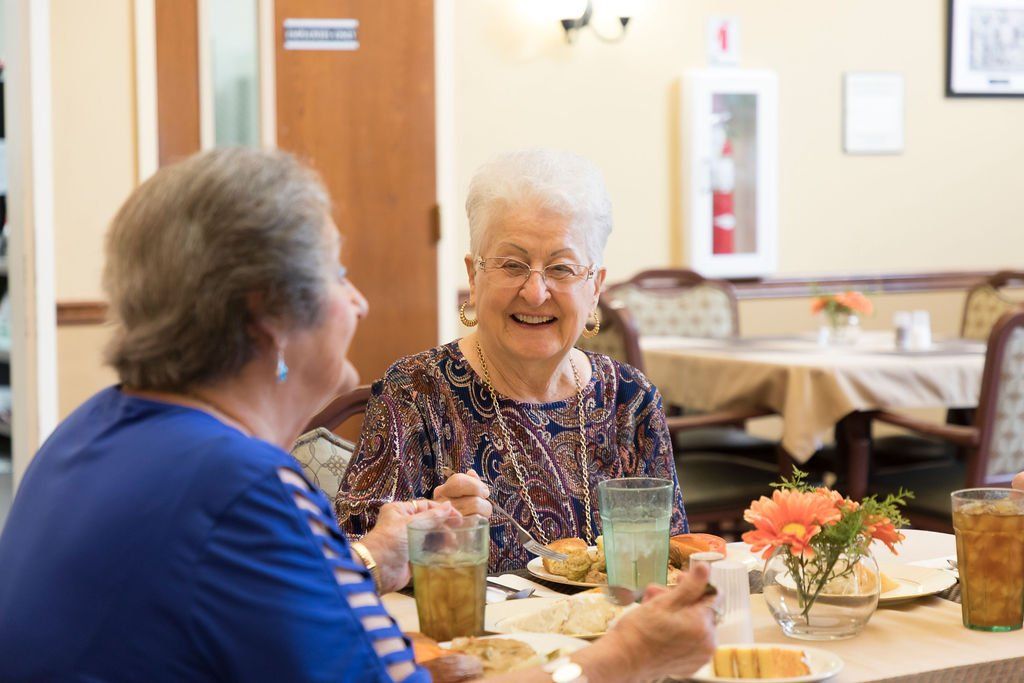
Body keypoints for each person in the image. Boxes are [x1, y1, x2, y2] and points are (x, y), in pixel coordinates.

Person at [0, 148, 716, 682]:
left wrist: (374, 563)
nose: (359, 302)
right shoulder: (243, 487)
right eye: (338, 274)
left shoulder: (88, 430)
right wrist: (623, 655)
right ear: (269, 318)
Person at [336, 149, 688, 572]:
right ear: (473, 275)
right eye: (512, 264)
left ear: (595, 287)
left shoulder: (629, 402)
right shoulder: (415, 393)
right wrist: (426, 537)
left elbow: (673, 559)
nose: (536, 292)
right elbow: (353, 564)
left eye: (561, 268)